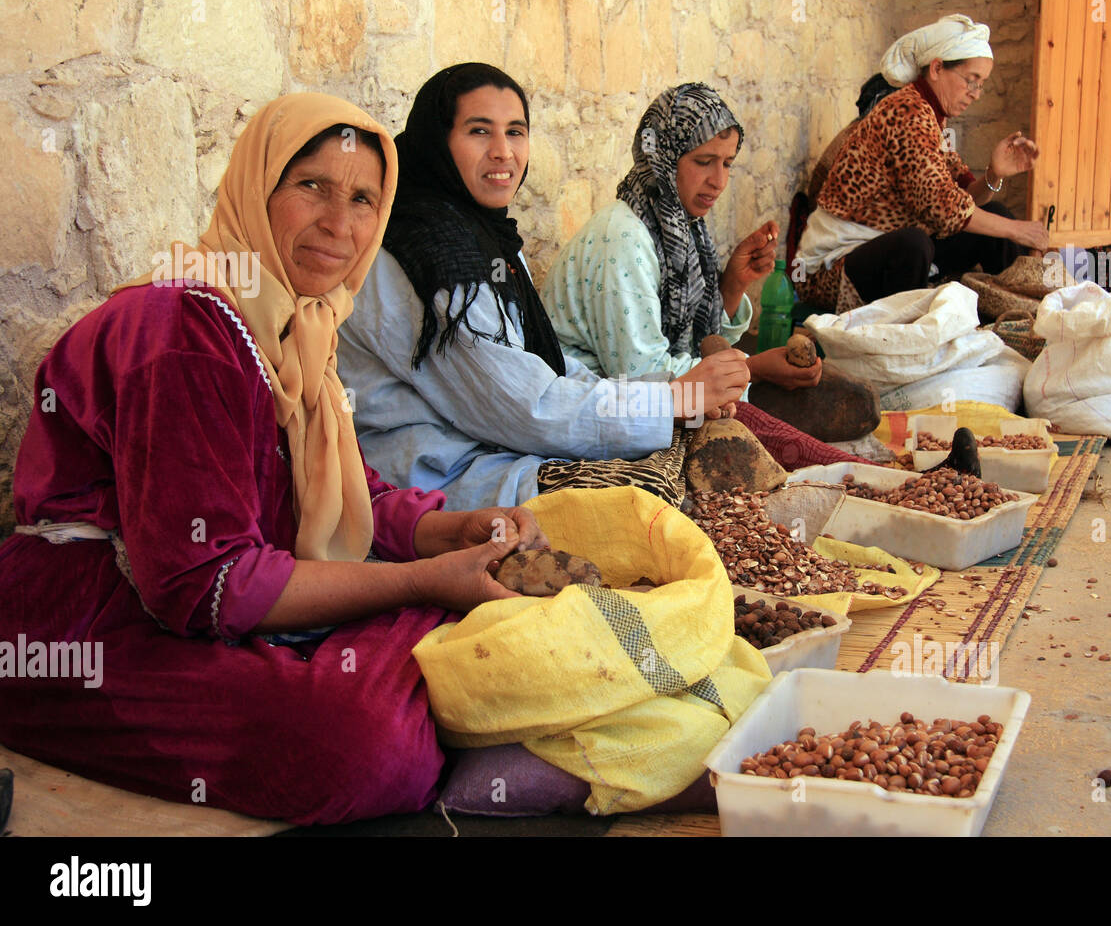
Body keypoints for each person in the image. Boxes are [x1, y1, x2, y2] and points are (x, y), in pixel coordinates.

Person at [0, 93, 548, 826]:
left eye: (363, 199)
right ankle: (416, 643)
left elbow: (336, 491)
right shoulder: (183, 331)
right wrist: (422, 584)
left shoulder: (301, 323)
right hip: (85, 619)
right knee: (366, 750)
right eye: (312, 187)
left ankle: (413, 646)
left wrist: (441, 531)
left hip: (197, 592)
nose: (340, 225)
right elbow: (205, 585)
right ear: (257, 189)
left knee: (475, 639)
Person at [337, 65, 743, 511]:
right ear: (437, 142)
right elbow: (525, 408)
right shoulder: (425, 255)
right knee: (665, 502)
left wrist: (673, 388)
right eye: (478, 132)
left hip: (503, 447)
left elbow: (542, 364)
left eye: (515, 132)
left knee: (710, 462)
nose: (502, 152)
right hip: (442, 478)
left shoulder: (484, 237)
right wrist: (674, 399)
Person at [543, 83, 823, 391]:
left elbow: (700, 345)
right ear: (663, 158)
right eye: (704, 162)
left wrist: (732, 285)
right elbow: (642, 377)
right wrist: (752, 369)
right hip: (595, 404)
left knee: (824, 395)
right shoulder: (623, 239)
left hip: (652, 399)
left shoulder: (680, 228)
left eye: (727, 163)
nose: (718, 181)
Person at [795, 14, 1050, 311]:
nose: (975, 94)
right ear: (938, 68)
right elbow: (943, 209)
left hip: (885, 247)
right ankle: (904, 340)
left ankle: (1014, 315)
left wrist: (994, 174)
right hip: (835, 266)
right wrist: (1017, 229)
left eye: (981, 85)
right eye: (971, 81)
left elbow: (965, 198)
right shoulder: (907, 112)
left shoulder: (931, 117)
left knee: (994, 215)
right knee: (914, 245)